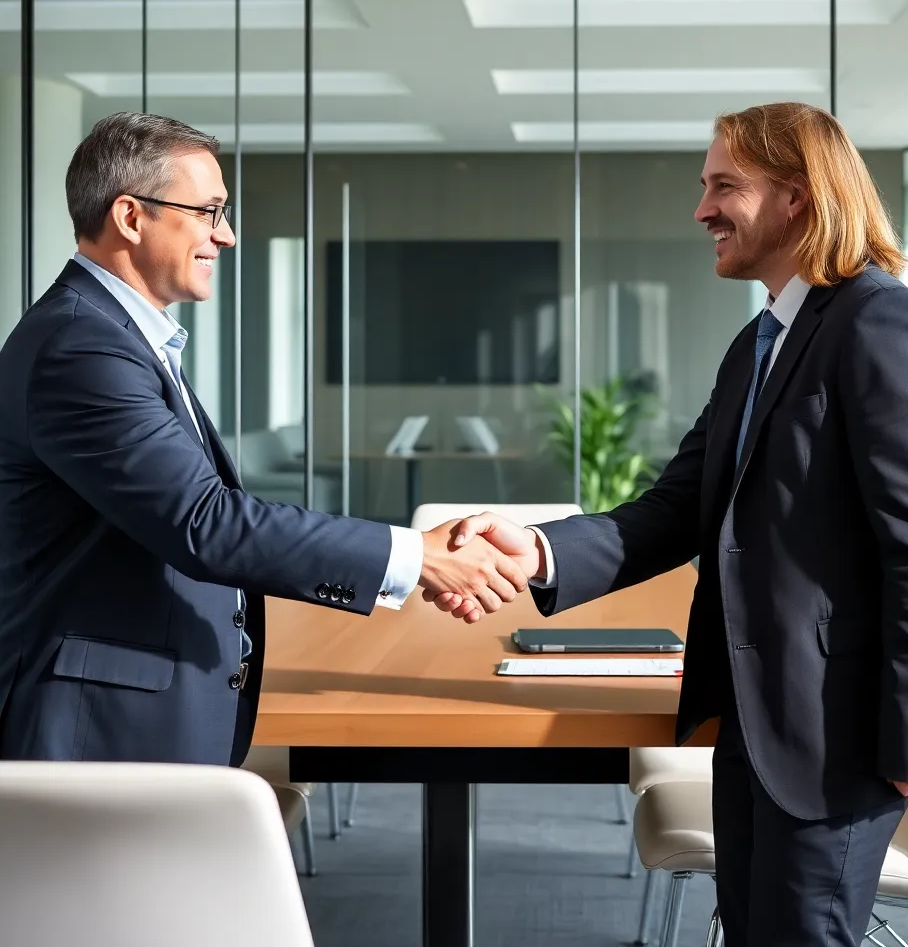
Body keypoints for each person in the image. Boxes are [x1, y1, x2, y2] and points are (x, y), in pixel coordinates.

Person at [428, 102, 908, 947]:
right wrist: (539, 550)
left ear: (797, 197)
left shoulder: (883, 323)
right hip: (757, 712)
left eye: (723, 187)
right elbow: (677, 509)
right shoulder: (761, 342)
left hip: (841, 730)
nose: (702, 209)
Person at [0, 112, 526, 767]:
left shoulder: (115, 336)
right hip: (97, 731)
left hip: (138, 710)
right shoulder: (81, 347)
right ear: (131, 217)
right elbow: (205, 522)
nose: (226, 235)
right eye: (208, 212)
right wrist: (416, 556)